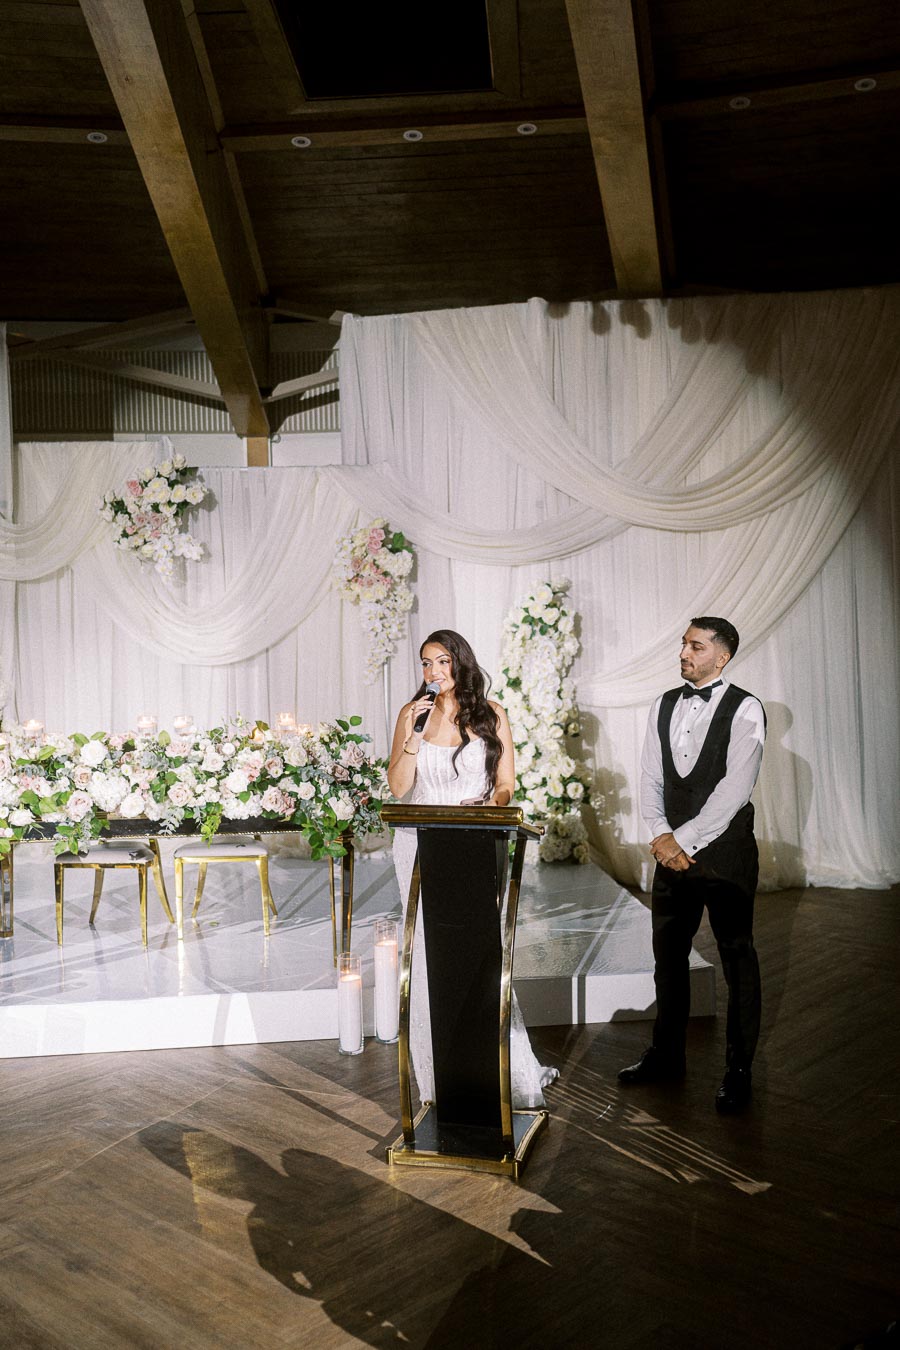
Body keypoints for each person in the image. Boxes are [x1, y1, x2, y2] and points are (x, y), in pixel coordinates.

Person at [387, 628, 556, 1110]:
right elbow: (400, 788)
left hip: (475, 841)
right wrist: (413, 735)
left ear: (460, 662)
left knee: (477, 953)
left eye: (441, 662)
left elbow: (506, 784)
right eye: (425, 664)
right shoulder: (410, 715)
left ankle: (499, 1069)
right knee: (426, 953)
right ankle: (439, 1078)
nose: (433, 672)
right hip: (418, 847)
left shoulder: (491, 714)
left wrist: (488, 803)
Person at [618, 617, 766, 1114]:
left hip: (724, 857)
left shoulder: (746, 709)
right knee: (668, 959)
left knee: (736, 958)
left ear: (721, 657)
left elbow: (734, 791)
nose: (684, 651)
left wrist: (680, 840)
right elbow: (649, 775)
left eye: (696, 646)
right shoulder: (663, 703)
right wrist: (661, 836)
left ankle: (739, 1070)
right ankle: (666, 1055)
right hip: (671, 855)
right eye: (684, 643)